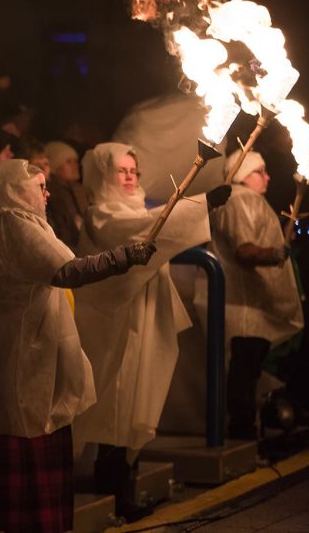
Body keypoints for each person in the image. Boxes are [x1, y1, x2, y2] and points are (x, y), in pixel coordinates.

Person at [0, 158, 155, 533]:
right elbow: (67, 271)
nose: (48, 194)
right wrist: (123, 257)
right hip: (20, 360)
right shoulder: (12, 224)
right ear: (16, 191)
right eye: (40, 186)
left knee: (37, 437)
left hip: (32, 355)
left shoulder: (26, 223)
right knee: (27, 448)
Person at [71, 142, 229, 521]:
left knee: (138, 397)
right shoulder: (102, 216)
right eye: (121, 171)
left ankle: (124, 485)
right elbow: (144, 230)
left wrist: (196, 204)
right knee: (116, 400)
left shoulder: (133, 211)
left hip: (141, 319)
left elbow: (156, 223)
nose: (129, 178)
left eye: (134, 171)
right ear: (102, 175)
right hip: (114, 326)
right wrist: (201, 204)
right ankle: (111, 488)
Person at [208, 150, 303, 439]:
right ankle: (241, 434)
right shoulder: (240, 199)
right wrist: (274, 253)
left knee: (248, 371)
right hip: (246, 307)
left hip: (253, 307)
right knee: (244, 371)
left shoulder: (247, 200)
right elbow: (244, 250)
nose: (268, 176)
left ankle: (246, 431)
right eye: (260, 171)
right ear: (242, 175)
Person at [44, 140, 87, 252]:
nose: (75, 165)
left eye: (75, 161)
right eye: (68, 162)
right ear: (54, 166)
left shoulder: (79, 191)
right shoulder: (50, 195)